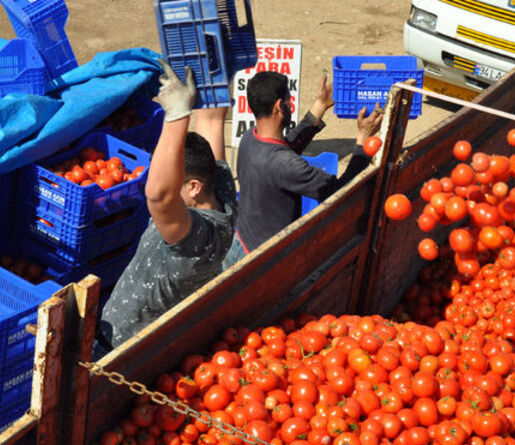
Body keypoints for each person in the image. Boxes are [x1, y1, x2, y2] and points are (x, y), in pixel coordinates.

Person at [97, 60, 237, 352]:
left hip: (122, 349)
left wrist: (176, 116)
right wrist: (214, 67)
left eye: (175, 183)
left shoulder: (197, 242)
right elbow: (212, 121)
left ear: (194, 187)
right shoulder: (220, 187)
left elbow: (159, 195)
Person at [222, 70, 384, 268]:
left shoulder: (250, 137)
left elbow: (287, 147)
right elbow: (342, 192)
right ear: (279, 106)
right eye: (288, 100)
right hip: (262, 263)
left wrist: (320, 106)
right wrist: (363, 141)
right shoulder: (287, 165)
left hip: (240, 243)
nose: (290, 104)